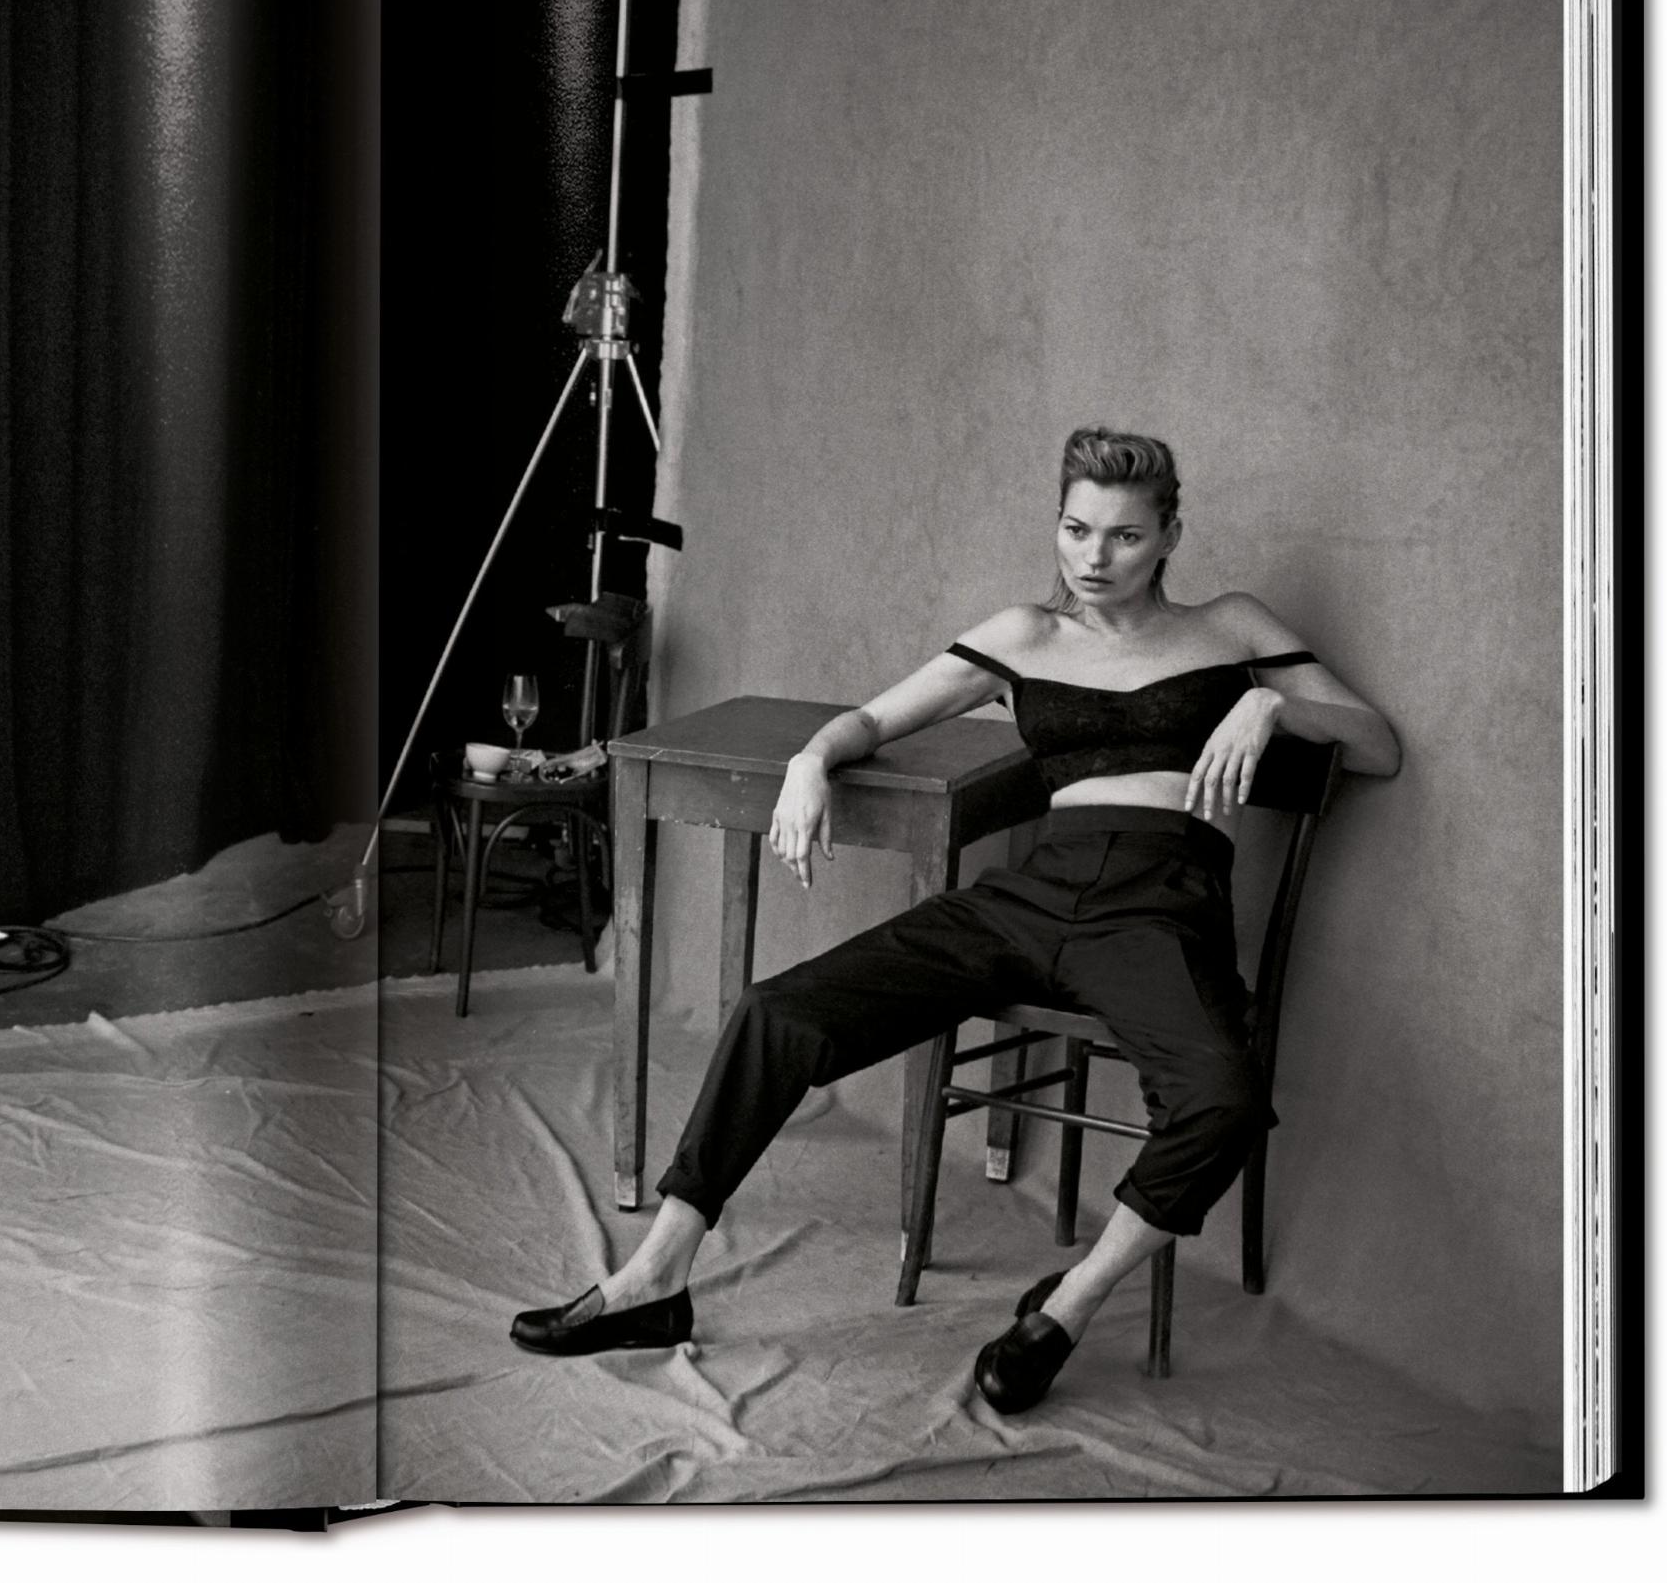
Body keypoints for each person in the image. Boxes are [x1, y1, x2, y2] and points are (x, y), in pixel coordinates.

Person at [509, 427, 1401, 1411]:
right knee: (778, 1011)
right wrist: (810, 761)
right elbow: (873, 720)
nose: (1095, 557)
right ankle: (656, 1277)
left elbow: (1376, 745)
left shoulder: (1231, 627)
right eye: (1076, 529)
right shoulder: (1024, 635)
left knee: (1222, 1099)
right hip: (1032, 895)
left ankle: (1067, 1304)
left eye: (1124, 536)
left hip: (1158, 903)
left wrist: (1274, 708)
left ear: (1169, 538)